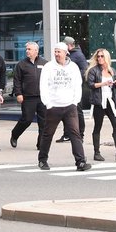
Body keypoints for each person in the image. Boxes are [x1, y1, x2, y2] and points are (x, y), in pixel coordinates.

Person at [37, 41, 90, 172]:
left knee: (75, 134)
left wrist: (75, 101)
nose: (56, 54)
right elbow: (43, 86)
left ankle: (80, 162)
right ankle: (42, 160)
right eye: (55, 51)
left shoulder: (73, 67)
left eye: (59, 51)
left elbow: (78, 85)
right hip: (54, 106)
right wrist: (48, 103)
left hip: (70, 106)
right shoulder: (49, 67)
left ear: (66, 53)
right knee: (48, 134)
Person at [85, 48, 116, 162]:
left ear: (106, 58)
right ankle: (96, 152)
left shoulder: (111, 70)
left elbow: (115, 87)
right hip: (99, 102)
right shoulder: (93, 70)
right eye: (98, 56)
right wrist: (103, 83)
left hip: (110, 101)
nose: (99, 58)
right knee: (98, 126)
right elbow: (90, 84)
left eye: (102, 56)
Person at [10, 41, 46, 150]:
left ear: (36, 50)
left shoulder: (45, 63)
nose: (27, 51)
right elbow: (17, 81)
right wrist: (19, 94)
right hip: (28, 97)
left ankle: (41, 144)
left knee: (43, 122)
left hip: (42, 97)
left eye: (29, 49)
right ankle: (15, 135)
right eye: (26, 49)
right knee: (27, 120)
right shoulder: (21, 64)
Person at [57, 36, 88, 143]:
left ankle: (80, 134)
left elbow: (85, 70)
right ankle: (67, 134)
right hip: (66, 88)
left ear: (70, 45)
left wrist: (72, 78)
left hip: (75, 88)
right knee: (66, 112)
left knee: (77, 112)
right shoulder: (70, 55)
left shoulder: (78, 55)